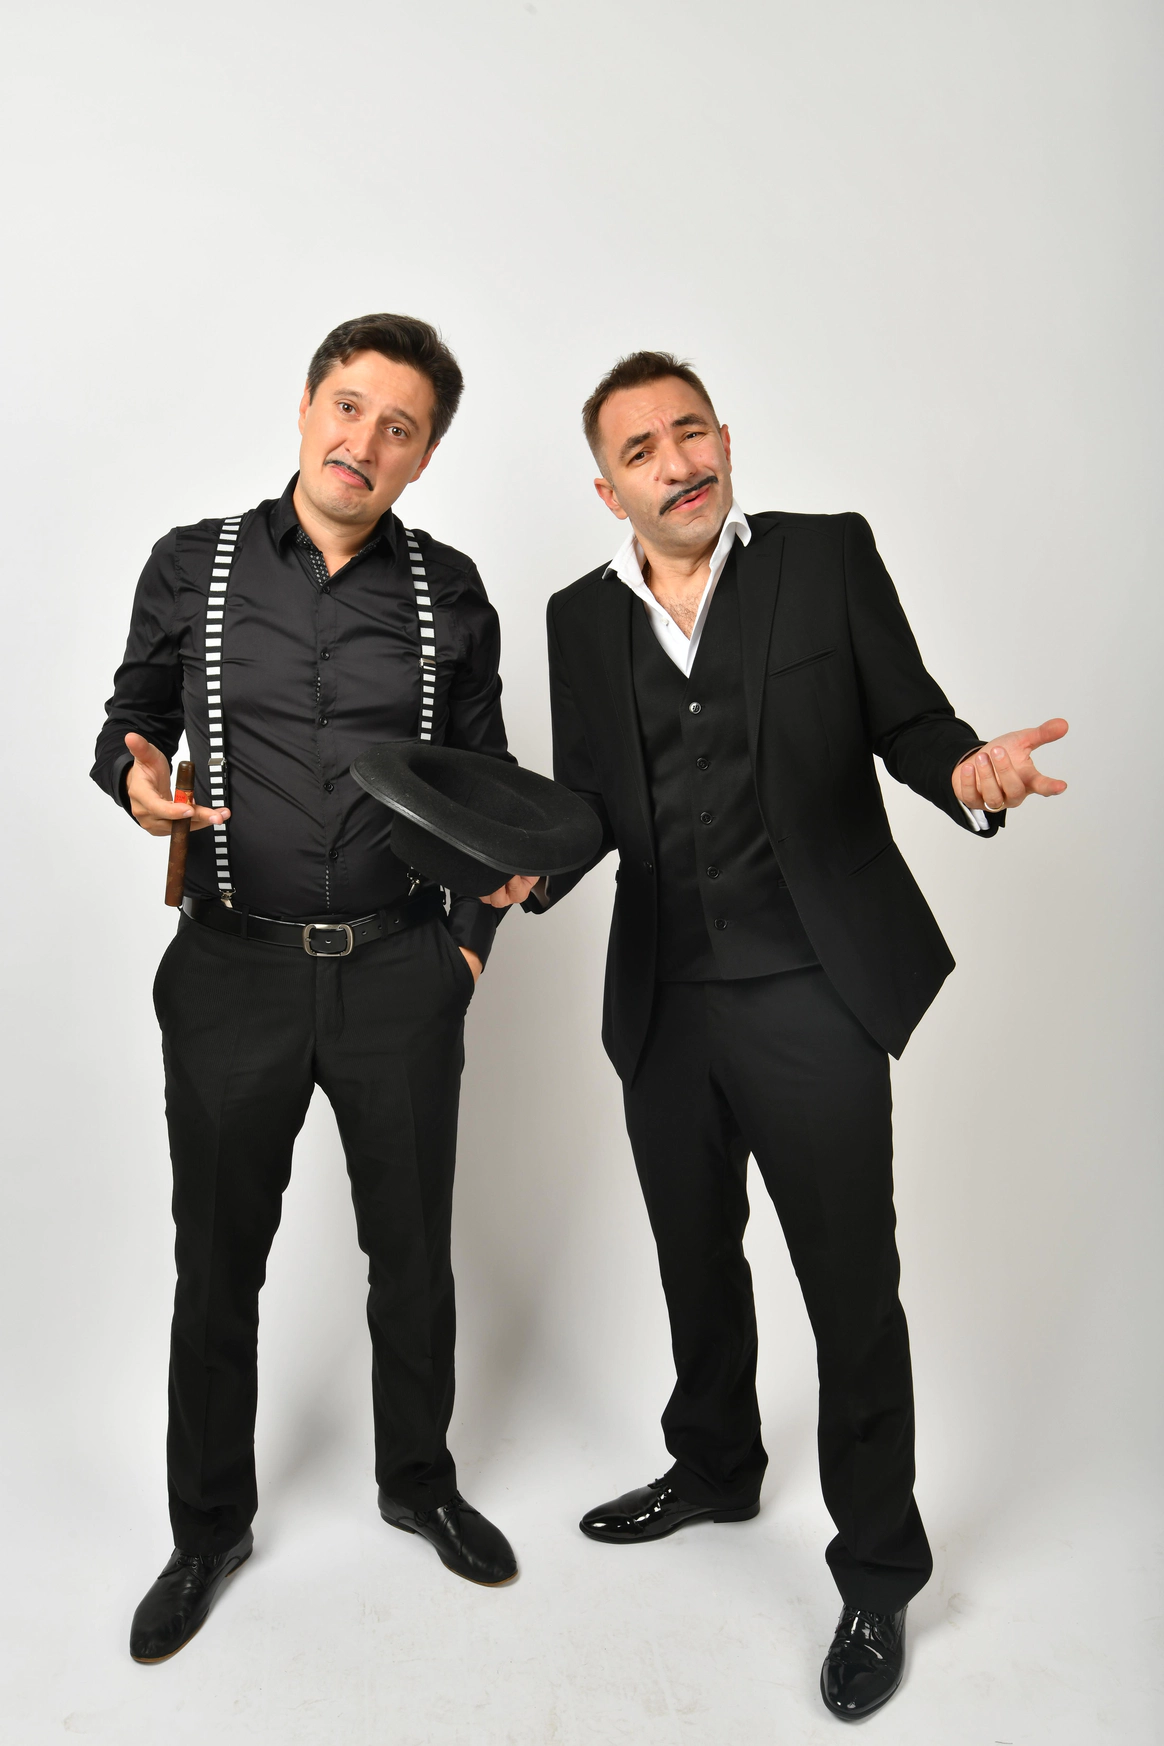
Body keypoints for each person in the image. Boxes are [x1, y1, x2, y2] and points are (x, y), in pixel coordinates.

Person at [525, 350, 1067, 1720]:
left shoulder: (825, 558)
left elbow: (912, 720)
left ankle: (878, 1565)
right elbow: (592, 806)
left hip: (812, 987)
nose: (678, 463)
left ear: (723, 437)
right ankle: (716, 1465)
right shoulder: (578, 619)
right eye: (642, 450)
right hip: (663, 997)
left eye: (690, 431)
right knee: (693, 1254)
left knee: (847, 1284)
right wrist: (519, 870)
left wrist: (970, 771)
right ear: (608, 489)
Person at [91, 313, 537, 1664]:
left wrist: (465, 947)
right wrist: (136, 778)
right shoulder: (194, 563)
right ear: (306, 407)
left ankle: (419, 1481)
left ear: (424, 455)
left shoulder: (450, 590)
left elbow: (485, 788)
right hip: (230, 969)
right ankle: (206, 1527)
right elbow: (129, 717)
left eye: (399, 426)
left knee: (412, 1251)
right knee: (218, 1259)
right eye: (349, 406)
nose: (364, 441)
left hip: (402, 970)